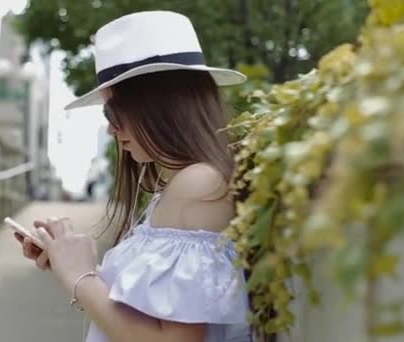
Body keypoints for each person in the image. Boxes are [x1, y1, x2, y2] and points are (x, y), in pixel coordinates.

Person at [13, 10, 252, 342]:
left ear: (157, 105)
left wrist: (81, 278)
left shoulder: (198, 187)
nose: (111, 128)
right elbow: (158, 315)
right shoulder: (188, 186)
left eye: (113, 112)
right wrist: (69, 264)